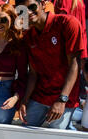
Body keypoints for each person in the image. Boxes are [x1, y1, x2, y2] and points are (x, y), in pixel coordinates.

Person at [16, 0, 85, 129]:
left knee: (57, 137)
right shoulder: (28, 36)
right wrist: (24, 100)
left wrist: (62, 100)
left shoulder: (67, 23)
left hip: (64, 95)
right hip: (40, 95)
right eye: (22, 11)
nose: (28, 12)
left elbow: (75, 64)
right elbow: (33, 73)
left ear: (42, 4)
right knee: (25, 129)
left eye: (32, 7)